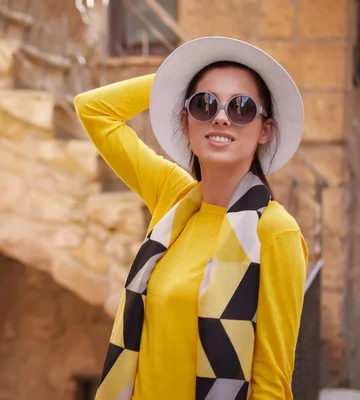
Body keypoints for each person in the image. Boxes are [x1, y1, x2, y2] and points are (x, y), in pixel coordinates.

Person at [74, 37, 308, 400]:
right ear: (185, 121)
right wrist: (175, 79)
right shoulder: (174, 196)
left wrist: (196, 84)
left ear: (265, 130)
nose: (220, 116)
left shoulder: (276, 232)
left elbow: (272, 383)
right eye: (204, 103)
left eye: (242, 107)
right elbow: (93, 109)